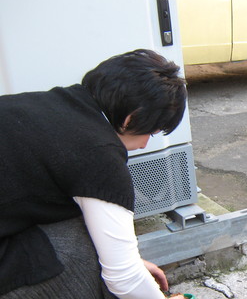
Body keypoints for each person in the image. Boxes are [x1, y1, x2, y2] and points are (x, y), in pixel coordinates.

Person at [0, 49, 189, 299]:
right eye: (151, 132)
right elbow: (124, 279)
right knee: (83, 248)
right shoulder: (99, 153)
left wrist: (129, 262)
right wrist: (131, 272)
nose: (145, 144)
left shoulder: (48, 103)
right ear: (131, 119)